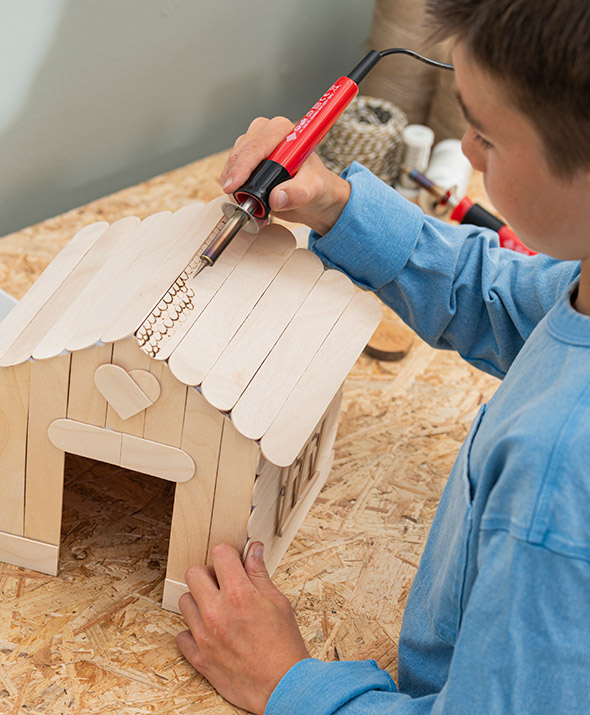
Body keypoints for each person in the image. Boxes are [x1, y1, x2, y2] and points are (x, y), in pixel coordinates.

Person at [175, 0, 590, 711]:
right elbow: (518, 304)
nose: (466, 151)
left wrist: (290, 684)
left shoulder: (556, 476)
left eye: (486, 134)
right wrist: (339, 206)